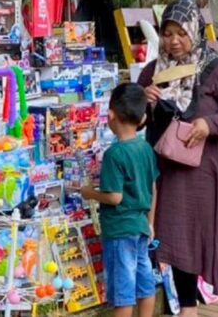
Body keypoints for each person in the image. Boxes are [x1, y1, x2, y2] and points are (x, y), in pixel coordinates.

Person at [137, 0, 218, 317]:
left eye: (182, 33)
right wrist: (143, 104)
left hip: (210, 175)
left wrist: (208, 124)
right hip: (171, 175)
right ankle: (188, 310)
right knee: (177, 242)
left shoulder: (214, 69)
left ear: (196, 32)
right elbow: (132, 120)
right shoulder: (153, 71)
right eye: (167, 33)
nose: (174, 41)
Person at [81, 83, 158, 317]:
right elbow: (153, 187)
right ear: (143, 117)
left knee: (123, 291)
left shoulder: (114, 153)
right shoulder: (145, 148)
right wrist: (150, 222)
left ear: (110, 114)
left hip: (119, 229)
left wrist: (89, 193)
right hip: (141, 226)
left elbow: (114, 197)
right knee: (145, 284)